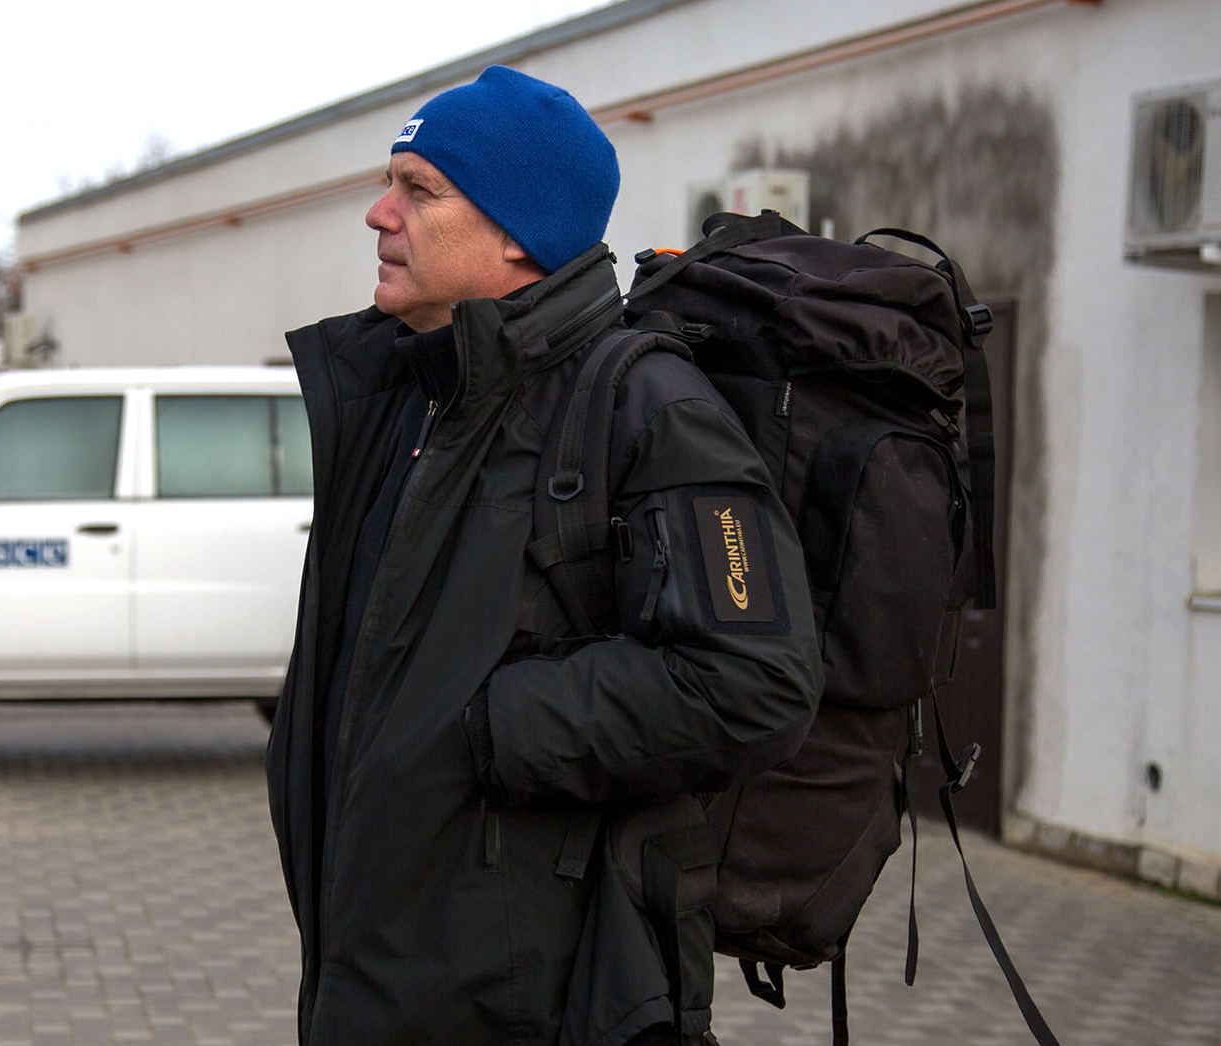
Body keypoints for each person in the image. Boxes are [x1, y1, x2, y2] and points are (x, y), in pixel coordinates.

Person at [265, 65, 823, 1045]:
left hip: (541, 999)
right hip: (378, 975)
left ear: (519, 231)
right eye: (388, 183)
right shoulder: (408, 394)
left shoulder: (649, 408)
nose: (378, 214)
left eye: (418, 190)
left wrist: (496, 723)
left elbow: (755, 678)